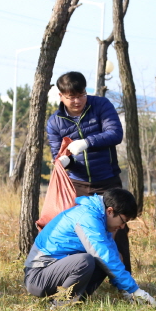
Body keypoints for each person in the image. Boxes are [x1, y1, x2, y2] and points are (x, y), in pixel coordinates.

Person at [46, 71, 132, 272]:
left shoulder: (101, 105)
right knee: (81, 231)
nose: (77, 101)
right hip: (77, 185)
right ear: (61, 96)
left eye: (81, 95)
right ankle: (82, 277)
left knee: (118, 229)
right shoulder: (55, 121)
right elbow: (55, 155)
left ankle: (124, 280)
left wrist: (87, 142)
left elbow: (115, 133)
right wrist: (65, 162)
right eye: (71, 97)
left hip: (107, 181)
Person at [24, 188, 156, 307]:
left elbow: (112, 257)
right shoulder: (87, 217)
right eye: (123, 221)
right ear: (110, 211)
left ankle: (76, 301)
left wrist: (126, 290)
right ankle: (60, 306)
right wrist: (135, 290)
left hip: (56, 271)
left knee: (112, 259)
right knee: (86, 261)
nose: (122, 227)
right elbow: (103, 256)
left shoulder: (100, 218)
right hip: (38, 277)